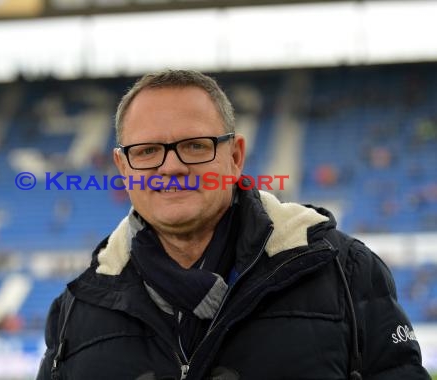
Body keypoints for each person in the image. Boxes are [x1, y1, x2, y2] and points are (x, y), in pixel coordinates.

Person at [36, 70, 430, 380]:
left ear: (235, 157)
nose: (171, 166)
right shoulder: (76, 308)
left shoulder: (345, 271)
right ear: (123, 168)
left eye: (195, 145)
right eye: (147, 151)